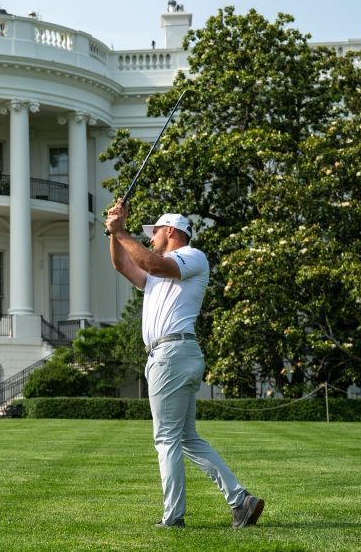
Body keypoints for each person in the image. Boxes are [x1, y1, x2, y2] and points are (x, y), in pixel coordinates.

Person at [105, 199, 265, 529]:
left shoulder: (191, 257)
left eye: (155, 233)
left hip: (172, 355)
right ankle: (241, 500)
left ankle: (173, 517)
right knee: (187, 438)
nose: (150, 239)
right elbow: (123, 266)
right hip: (175, 355)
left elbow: (152, 264)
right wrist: (113, 232)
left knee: (165, 439)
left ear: (171, 231)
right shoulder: (156, 274)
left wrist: (121, 230)